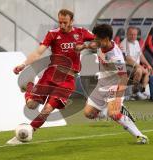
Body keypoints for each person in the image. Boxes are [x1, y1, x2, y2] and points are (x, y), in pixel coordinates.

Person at [7, 9, 96, 144]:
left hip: (67, 80)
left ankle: (28, 131)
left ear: (72, 21)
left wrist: (85, 46)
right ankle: (30, 86)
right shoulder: (53, 34)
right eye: (60, 22)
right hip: (50, 76)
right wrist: (23, 65)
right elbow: (38, 52)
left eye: (65, 22)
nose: (62, 25)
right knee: (31, 105)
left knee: (47, 109)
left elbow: (98, 42)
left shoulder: (81, 32)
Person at [84, 24, 149, 144]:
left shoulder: (116, 57)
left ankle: (140, 136)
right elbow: (93, 44)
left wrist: (118, 98)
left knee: (113, 113)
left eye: (98, 40)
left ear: (106, 39)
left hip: (115, 85)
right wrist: (83, 46)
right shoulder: (102, 43)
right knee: (88, 113)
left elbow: (123, 78)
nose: (96, 42)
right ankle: (108, 111)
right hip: (102, 84)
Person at [121, 26, 152, 100]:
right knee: (139, 70)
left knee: (148, 71)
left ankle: (142, 91)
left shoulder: (136, 42)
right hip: (126, 66)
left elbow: (141, 56)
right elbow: (128, 59)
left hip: (135, 66)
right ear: (127, 34)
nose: (133, 36)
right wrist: (139, 66)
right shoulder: (124, 43)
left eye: (135, 34)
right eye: (131, 34)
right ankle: (134, 93)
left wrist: (148, 65)